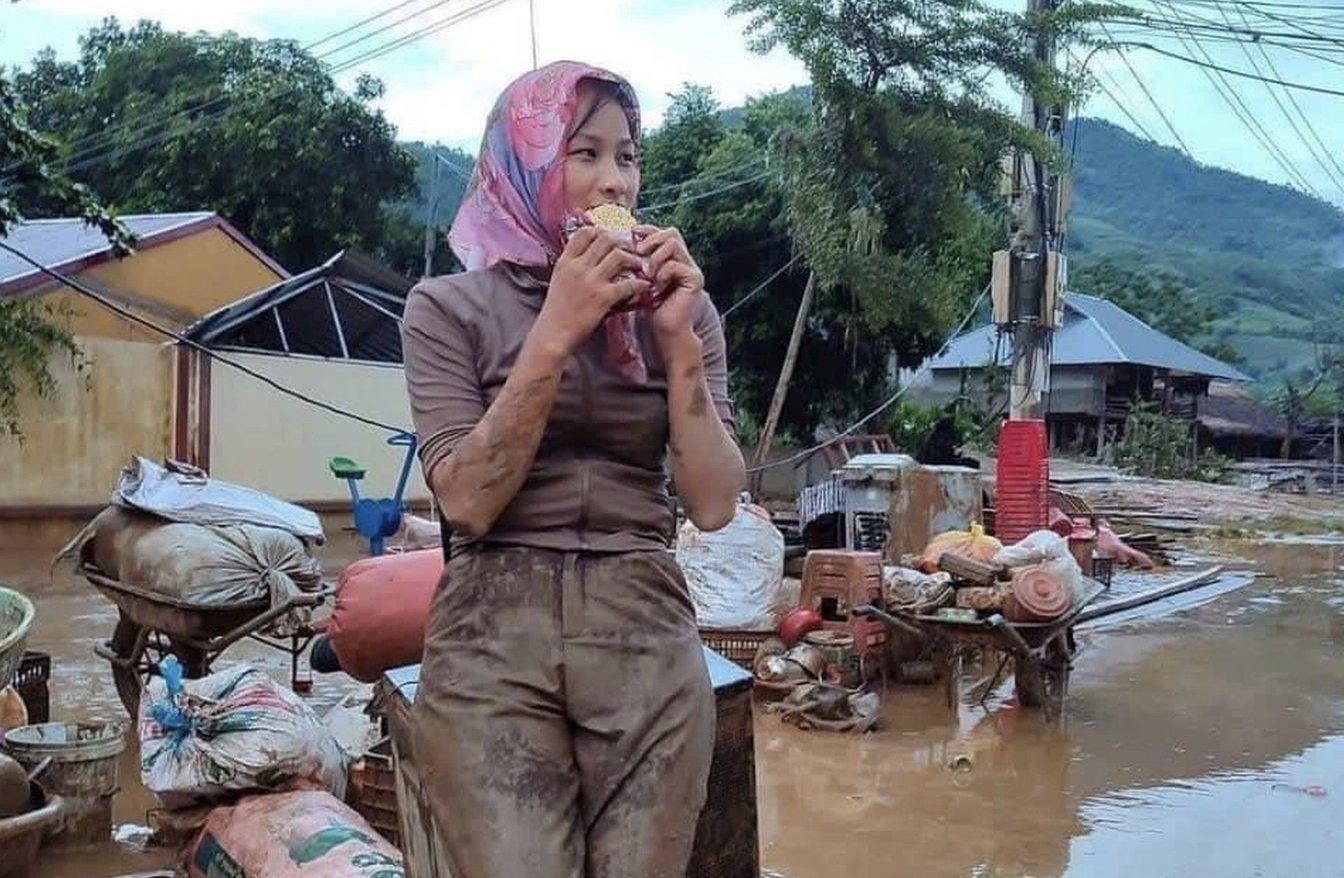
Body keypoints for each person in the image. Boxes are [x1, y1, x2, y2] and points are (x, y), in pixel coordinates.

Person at [399, 60, 746, 878]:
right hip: (493, 632)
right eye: (582, 154)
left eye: (626, 157)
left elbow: (716, 504)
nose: (609, 180)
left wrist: (678, 347)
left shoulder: (684, 310)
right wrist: (556, 329)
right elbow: (467, 502)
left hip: (644, 620)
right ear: (523, 165)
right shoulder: (447, 308)